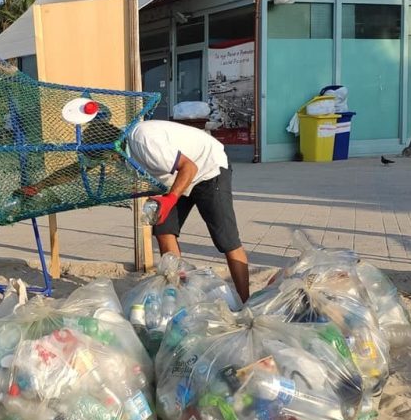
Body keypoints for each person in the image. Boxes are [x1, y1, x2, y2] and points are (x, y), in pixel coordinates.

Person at [16, 118, 250, 301]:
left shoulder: (145, 143)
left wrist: (170, 199)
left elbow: (189, 167)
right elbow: (75, 170)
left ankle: (245, 299)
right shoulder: (113, 149)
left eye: (106, 160)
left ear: (113, 148)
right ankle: (177, 293)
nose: (106, 164)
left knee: (226, 239)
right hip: (174, 179)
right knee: (163, 230)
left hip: (209, 169)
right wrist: (38, 186)